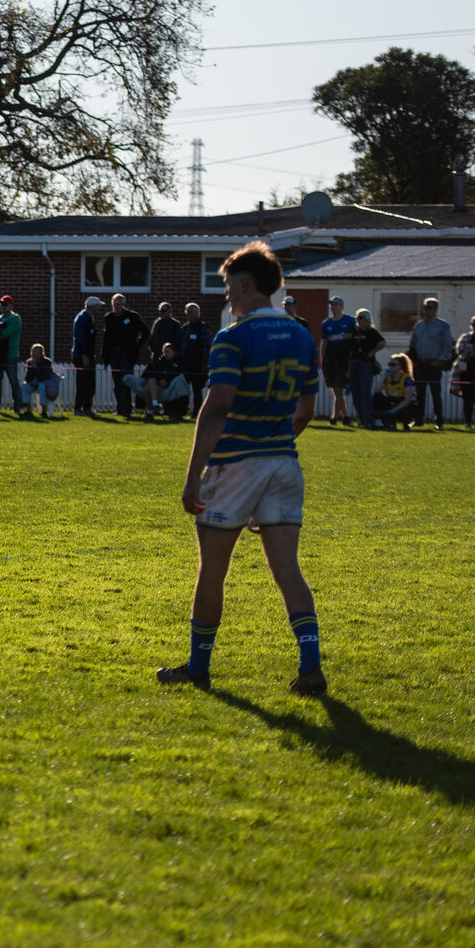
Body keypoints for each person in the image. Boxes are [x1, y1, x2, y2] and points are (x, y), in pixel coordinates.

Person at [159, 240, 324, 698]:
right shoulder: (303, 336)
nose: (226, 294)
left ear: (246, 284)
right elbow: (306, 411)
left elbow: (216, 410)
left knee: (212, 570)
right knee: (287, 569)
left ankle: (198, 668)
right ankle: (310, 665)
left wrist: (193, 477)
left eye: (229, 284)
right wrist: (273, 447)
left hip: (234, 465)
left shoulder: (232, 338)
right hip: (284, 464)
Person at [407, 297, 452, 427]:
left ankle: (439, 421)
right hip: (420, 363)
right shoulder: (419, 325)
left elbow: (447, 345)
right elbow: (413, 343)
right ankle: (418, 419)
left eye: (430, 308)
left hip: (434, 364)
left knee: (435, 393)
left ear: (435, 309)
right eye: (425, 307)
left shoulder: (443, 326)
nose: (427, 310)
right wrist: (413, 359)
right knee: (419, 393)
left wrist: (440, 360)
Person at [102, 293, 146, 417]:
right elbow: (106, 338)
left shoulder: (132, 317)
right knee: (117, 383)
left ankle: (127, 409)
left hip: (127, 354)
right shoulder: (109, 318)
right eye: (114, 305)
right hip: (113, 353)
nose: (116, 307)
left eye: (118, 305)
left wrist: (136, 346)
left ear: (123, 305)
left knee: (126, 381)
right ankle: (120, 408)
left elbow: (145, 331)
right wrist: (105, 355)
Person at [318, 296, 355, 424]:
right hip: (331, 359)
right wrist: (322, 359)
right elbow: (324, 343)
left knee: (339, 389)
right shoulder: (327, 323)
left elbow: (354, 341)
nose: (333, 307)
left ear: (341, 307)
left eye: (336, 305)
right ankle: (346, 417)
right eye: (332, 305)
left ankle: (334, 417)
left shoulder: (349, 321)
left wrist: (351, 360)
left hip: (344, 359)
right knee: (336, 390)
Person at [346, 309, 385, 428]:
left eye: (361, 318)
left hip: (365, 364)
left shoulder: (371, 332)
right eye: (358, 318)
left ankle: (368, 419)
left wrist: (372, 352)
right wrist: (348, 369)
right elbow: (350, 351)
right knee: (356, 394)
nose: (359, 321)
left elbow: (382, 343)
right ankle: (361, 418)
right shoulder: (355, 333)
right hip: (354, 363)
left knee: (365, 393)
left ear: (367, 319)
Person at [0, 296, 24, 412]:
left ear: (11, 306)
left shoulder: (16, 319)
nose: (3, 306)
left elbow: (7, 333)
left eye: (5, 304)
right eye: (1, 304)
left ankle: (18, 406)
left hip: (10, 355)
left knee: (13, 381)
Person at [178, 302, 214, 417]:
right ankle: (181, 411)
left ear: (198, 313)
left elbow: (206, 347)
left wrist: (205, 363)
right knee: (183, 387)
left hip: (198, 364)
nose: (188, 314)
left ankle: (196, 412)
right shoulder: (185, 328)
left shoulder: (202, 328)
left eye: (191, 311)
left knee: (197, 390)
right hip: (185, 363)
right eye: (187, 311)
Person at [453, 316, 475, 427]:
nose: (474, 327)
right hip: (465, 371)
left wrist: (471, 350)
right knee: (467, 397)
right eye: (472, 324)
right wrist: (473, 350)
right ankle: (467, 421)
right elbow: (460, 349)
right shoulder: (465, 337)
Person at [71, 297, 102, 416]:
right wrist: (84, 355)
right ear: (92, 306)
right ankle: (78, 408)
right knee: (82, 382)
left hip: (88, 354)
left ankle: (87, 408)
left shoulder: (90, 318)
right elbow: (78, 338)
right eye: (98, 306)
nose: (99, 308)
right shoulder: (82, 318)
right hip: (81, 356)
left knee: (90, 383)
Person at [372, 353, 420, 429]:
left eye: (393, 365)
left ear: (400, 366)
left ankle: (406, 422)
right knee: (376, 397)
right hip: (391, 401)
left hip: (402, 404)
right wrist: (384, 377)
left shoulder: (407, 379)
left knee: (409, 407)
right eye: (390, 364)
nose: (391, 367)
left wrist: (393, 411)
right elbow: (376, 390)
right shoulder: (388, 378)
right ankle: (380, 421)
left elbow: (407, 400)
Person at [23, 343, 59, 419]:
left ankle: (43, 411)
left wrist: (36, 367)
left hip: (44, 384)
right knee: (25, 386)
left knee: (41, 386)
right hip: (33, 384)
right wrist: (31, 368)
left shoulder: (47, 362)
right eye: (33, 352)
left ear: (41, 353)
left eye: (36, 352)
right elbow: (27, 379)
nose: (34, 354)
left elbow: (44, 378)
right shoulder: (29, 362)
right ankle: (28, 410)